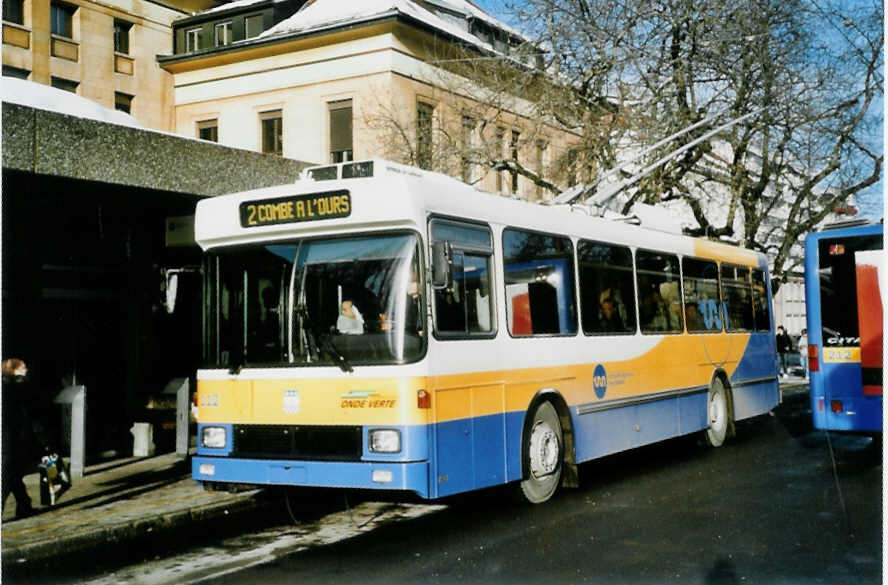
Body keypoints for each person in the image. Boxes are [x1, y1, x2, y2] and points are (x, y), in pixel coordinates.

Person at [2, 358, 41, 519]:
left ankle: (24, 505)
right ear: (12, 370)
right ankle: (23, 505)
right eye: (22, 367)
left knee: (13, 475)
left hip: (13, 438)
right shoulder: (13, 388)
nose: (26, 369)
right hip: (10, 439)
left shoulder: (12, 386)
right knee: (8, 475)